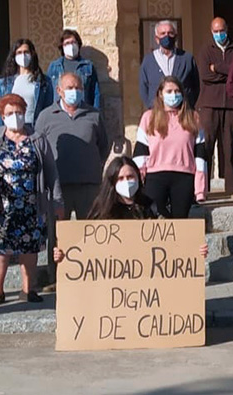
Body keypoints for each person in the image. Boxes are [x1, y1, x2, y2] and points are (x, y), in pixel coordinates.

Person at [0, 93, 62, 307]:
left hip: (31, 205)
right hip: (1, 206)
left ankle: (28, 289)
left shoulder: (38, 139)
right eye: (10, 113)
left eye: (19, 112)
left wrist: (58, 200)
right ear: (2, 117)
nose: (15, 117)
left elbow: (51, 171)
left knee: (29, 249)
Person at [52, 158, 209, 262]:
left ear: (138, 178)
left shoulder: (150, 206)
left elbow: (171, 238)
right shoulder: (102, 210)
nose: (126, 182)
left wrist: (193, 250)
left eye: (130, 177)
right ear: (112, 182)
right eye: (120, 178)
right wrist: (64, 254)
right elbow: (85, 246)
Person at [35, 72, 110, 221]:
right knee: (58, 232)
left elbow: (103, 145)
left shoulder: (93, 115)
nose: (74, 92)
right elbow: (38, 149)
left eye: (78, 88)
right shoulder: (46, 116)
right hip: (58, 187)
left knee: (91, 230)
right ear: (59, 91)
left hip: (89, 186)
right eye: (69, 87)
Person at [135, 76, 209, 218]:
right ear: (160, 94)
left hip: (184, 177)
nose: (173, 95)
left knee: (179, 223)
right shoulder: (148, 117)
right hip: (155, 176)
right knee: (155, 219)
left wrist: (200, 188)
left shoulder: (193, 118)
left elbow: (200, 155)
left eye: (177, 91)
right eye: (169, 91)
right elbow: (141, 153)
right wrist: (138, 181)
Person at [196, 17, 233, 197]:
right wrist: (226, 72)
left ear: (227, 29)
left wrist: (218, 68)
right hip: (209, 105)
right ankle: (202, 187)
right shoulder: (205, 50)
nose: (219, 34)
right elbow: (206, 75)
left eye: (221, 30)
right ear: (211, 31)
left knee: (230, 146)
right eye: (215, 31)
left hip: (231, 105)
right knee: (206, 145)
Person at [139, 20, 200, 109]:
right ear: (156, 39)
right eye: (163, 33)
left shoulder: (187, 59)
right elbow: (144, 88)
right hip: (158, 113)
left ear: (175, 37)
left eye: (170, 33)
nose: (166, 36)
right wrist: (152, 107)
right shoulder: (148, 61)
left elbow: (195, 86)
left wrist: (188, 106)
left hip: (182, 113)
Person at [0, 38, 54, 129]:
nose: (23, 56)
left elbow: (48, 109)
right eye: (19, 52)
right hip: (11, 130)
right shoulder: (4, 83)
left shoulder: (44, 81)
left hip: (35, 129)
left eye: (26, 52)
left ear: (32, 54)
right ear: (14, 56)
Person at [47, 28, 101, 110]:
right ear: (62, 46)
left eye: (73, 42)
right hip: (59, 112)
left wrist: (96, 113)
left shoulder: (88, 66)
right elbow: (49, 92)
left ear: (78, 44)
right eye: (67, 43)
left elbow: (96, 93)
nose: (71, 45)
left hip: (83, 111)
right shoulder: (54, 66)